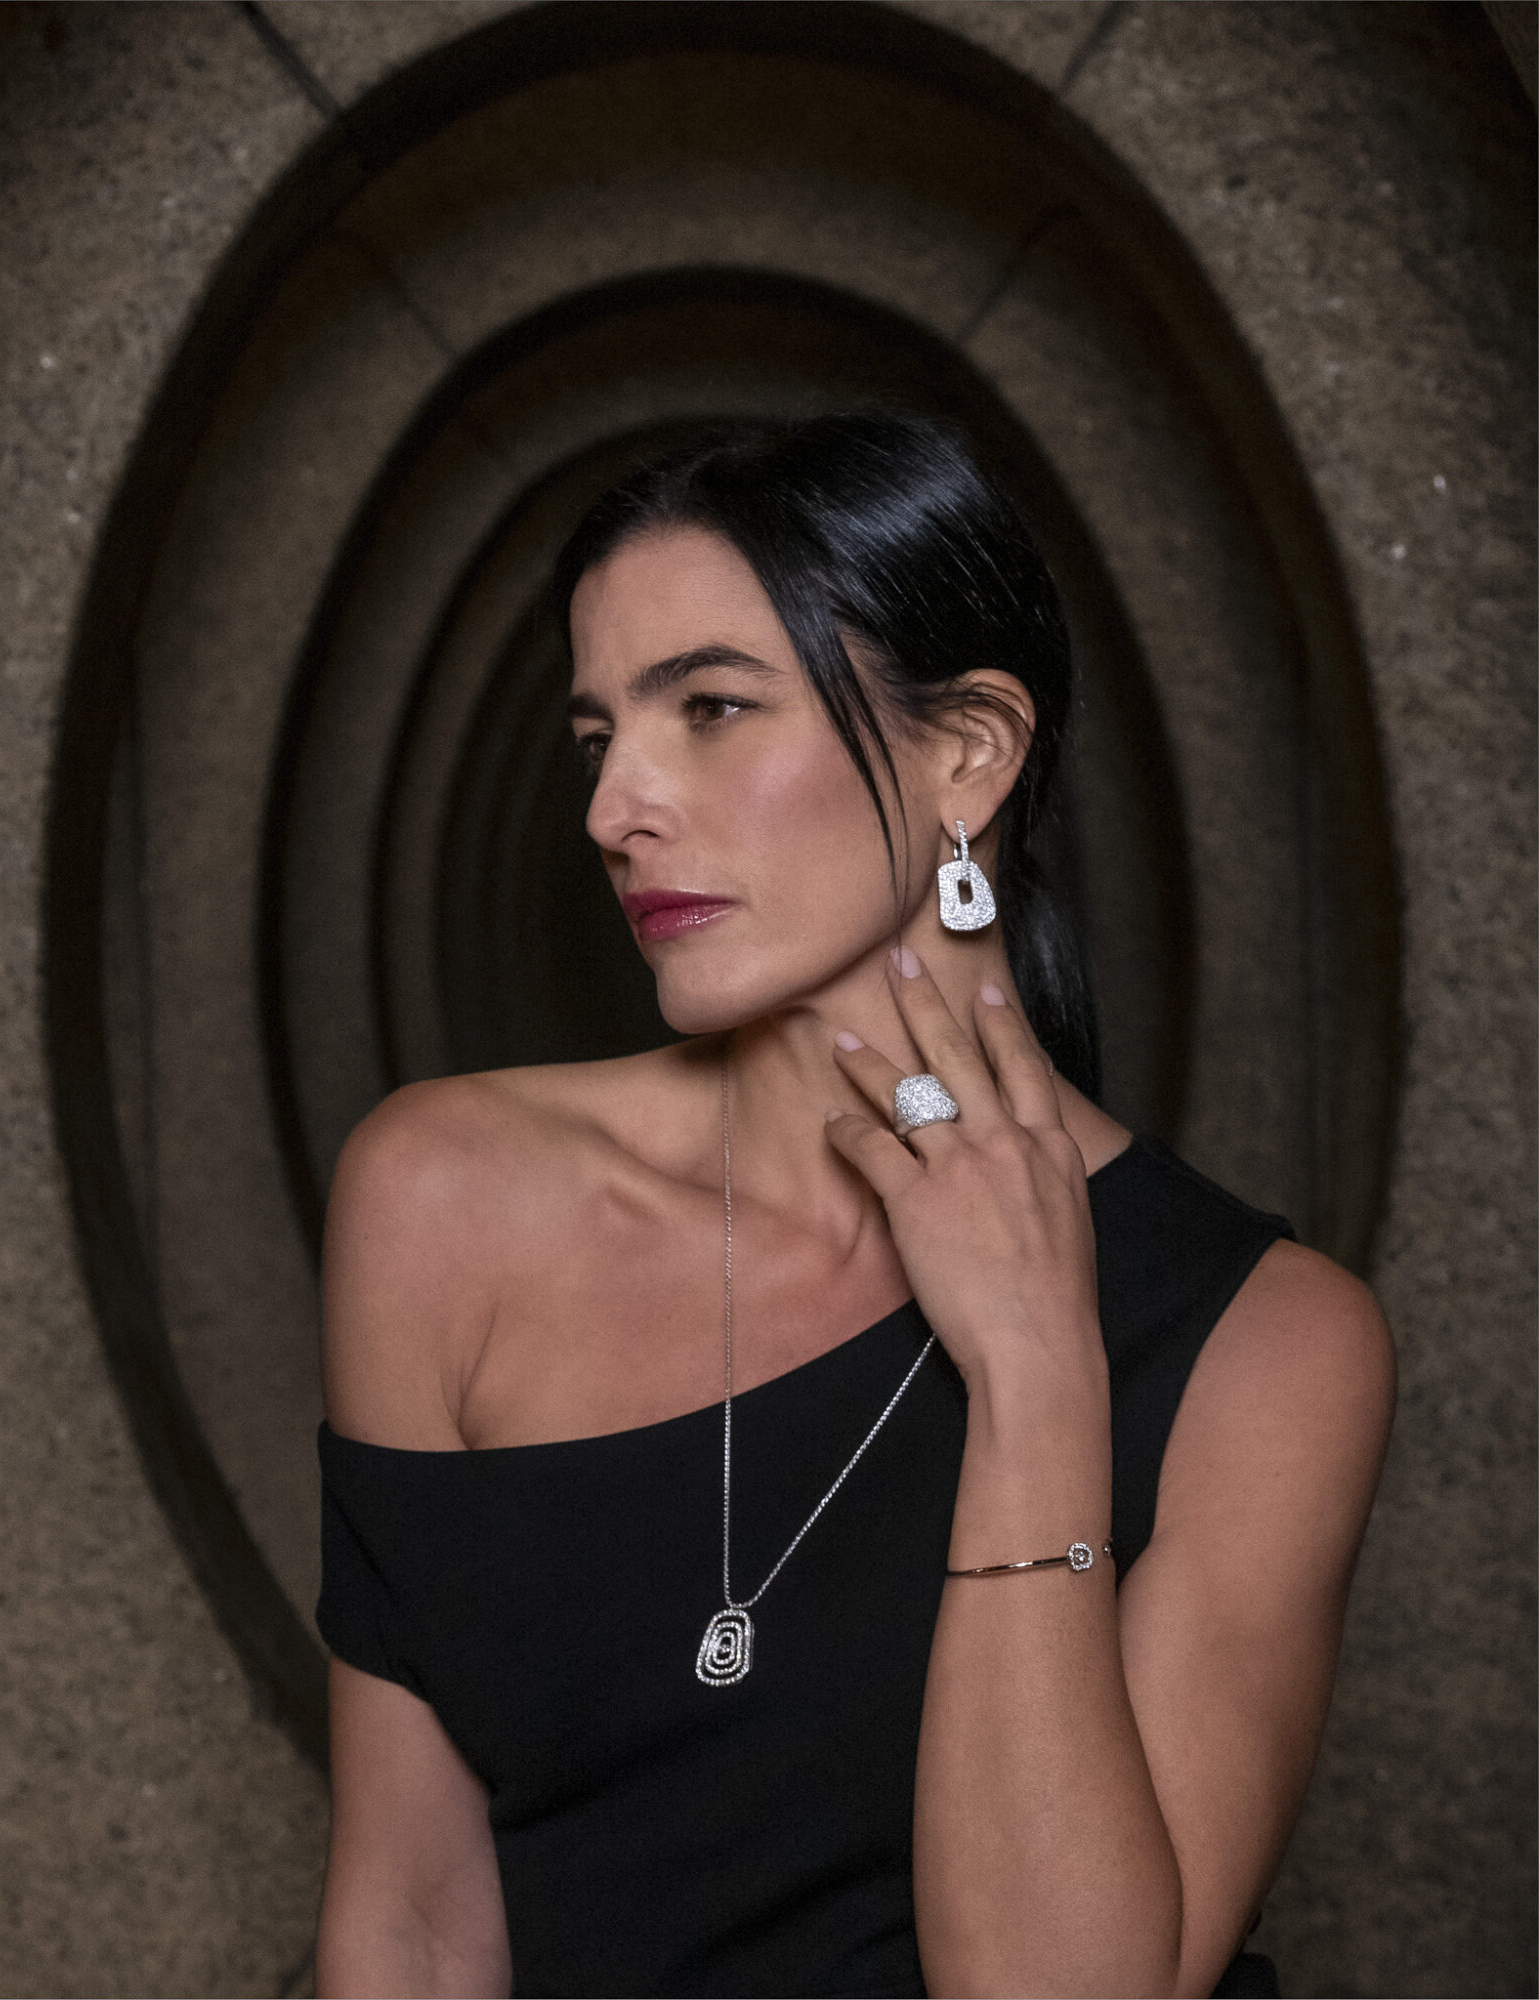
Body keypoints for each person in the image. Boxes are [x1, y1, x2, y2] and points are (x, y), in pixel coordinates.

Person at [312, 412, 1394, 1999]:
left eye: (712, 708)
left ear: (972, 752)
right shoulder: (440, 1202)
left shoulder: (1274, 1346)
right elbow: (409, 1919)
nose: (617, 809)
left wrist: (1033, 1371)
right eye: (600, 737)